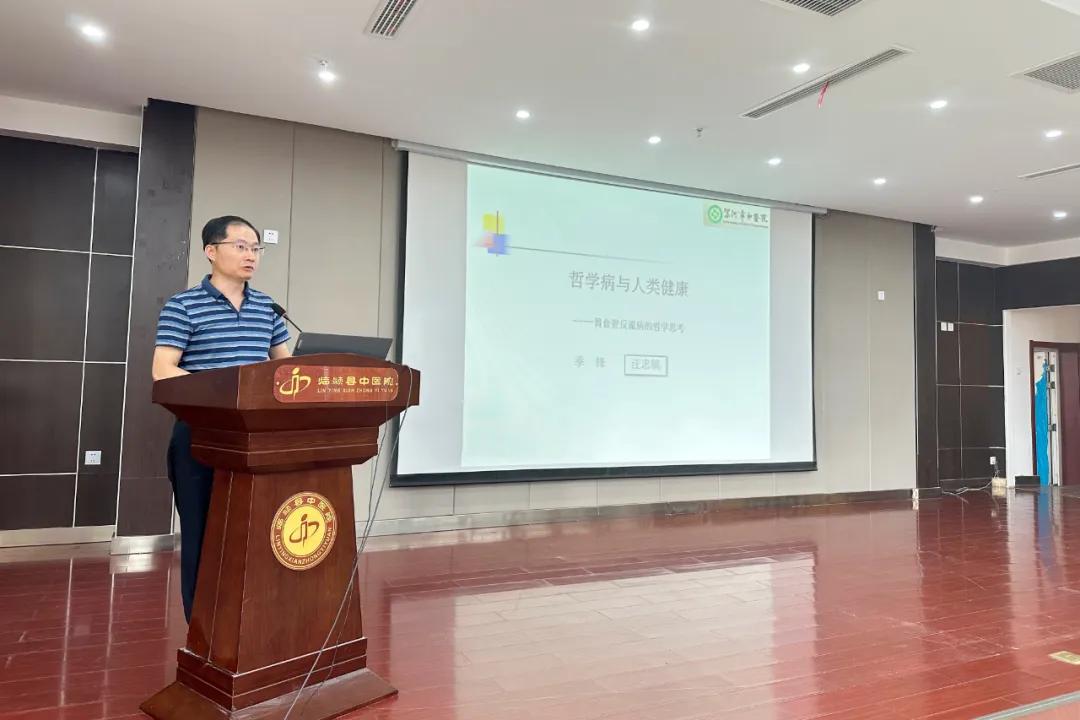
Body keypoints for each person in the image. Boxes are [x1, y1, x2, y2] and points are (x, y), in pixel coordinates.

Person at [152, 215, 291, 622]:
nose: (251, 255)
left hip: (255, 437)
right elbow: (163, 370)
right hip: (202, 435)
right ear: (211, 251)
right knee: (203, 533)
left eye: (256, 248)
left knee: (252, 531)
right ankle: (203, 627)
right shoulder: (183, 305)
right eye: (241, 246)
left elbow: (285, 370)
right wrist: (225, 390)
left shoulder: (267, 307)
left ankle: (248, 621)